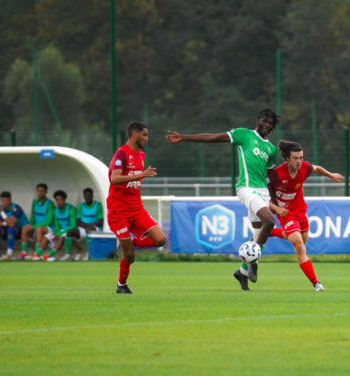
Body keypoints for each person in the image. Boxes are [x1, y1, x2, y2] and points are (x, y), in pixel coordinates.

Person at [166, 108, 279, 291]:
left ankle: (241, 272)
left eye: (270, 123)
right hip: (246, 188)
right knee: (269, 221)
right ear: (258, 120)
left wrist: (274, 198)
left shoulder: (271, 149)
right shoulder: (243, 135)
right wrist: (184, 137)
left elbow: (270, 174)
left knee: (258, 233)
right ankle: (253, 262)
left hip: (263, 192)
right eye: (264, 121)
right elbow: (212, 137)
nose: (266, 125)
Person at [268, 140, 343, 291]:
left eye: (301, 157)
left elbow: (317, 168)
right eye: (295, 158)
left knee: (302, 240)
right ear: (287, 159)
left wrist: (331, 175)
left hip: (300, 210)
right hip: (285, 213)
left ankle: (271, 232)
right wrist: (276, 208)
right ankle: (316, 283)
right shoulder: (276, 175)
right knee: (300, 246)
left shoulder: (304, 167)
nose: (299, 161)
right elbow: (261, 197)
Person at [108, 121, 167, 294]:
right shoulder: (121, 154)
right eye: (144, 135)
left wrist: (140, 175)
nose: (147, 139)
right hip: (118, 210)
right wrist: (142, 174)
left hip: (136, 208)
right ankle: (121, 285)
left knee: (160, 239)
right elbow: (114, 179)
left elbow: (133, 179)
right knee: (130, 256)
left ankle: (128, 243)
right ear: (134, 134)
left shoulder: (140, 155)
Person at [63, 187, 104, 261]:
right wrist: (86, 226)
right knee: (70, 232)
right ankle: (67, 254)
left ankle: (88, 254)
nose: (87, 197)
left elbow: (101, 221)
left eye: (89, 195)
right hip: (84, 227)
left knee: (89, 230)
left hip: (94, 228)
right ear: (84, 196)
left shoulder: (98, 206)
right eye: (85, 196)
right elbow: (78, 221)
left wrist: (91, 225)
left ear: (92, 195)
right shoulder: (81, 206)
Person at [35, 190, 76, 261]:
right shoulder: (55, 210)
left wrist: (59, 233)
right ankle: (36, 255)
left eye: (60, 200)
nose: (58, 202)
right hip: (60, 231)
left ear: (64, 199)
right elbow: (57, 225)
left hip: (70, 231)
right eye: (56, 200)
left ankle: (48, 256)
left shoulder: (71, 209)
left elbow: (73, 225)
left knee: (62, 237)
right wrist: (55, 232)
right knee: (46, 237)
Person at [0, 191, 29, 260]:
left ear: (10, 200)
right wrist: (4, 222)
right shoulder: (2, 208)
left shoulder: (16, 208)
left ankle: (9, 253)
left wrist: (1, 213)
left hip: (21, 230)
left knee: (11, 229)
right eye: (3, 200)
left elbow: (12, 224)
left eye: (6, 200)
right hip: (7, 228)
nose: (5, 202)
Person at [18, 183, 55, 260]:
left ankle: (36, 252)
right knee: (25, 228)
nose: (40, 193)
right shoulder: (34, 202)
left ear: (45, 192)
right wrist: (29, 225)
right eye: (38, 191)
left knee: (39, 228)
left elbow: (48, 221)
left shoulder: (50, 204)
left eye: (42, 191)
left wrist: (34, 226)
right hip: (37, 227)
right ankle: (24, 253)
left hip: (48, 228)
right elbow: (33, 219)